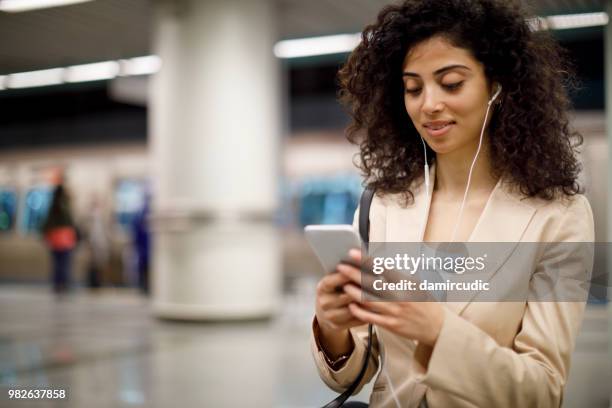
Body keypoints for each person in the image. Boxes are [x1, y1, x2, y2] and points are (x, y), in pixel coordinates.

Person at [311, 1, 594, 407]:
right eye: (413, 88)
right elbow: (362, 371)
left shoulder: (557, 216)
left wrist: (438, 331)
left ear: (495, 84)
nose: (428, 104)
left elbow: (542, 390)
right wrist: (333, 326)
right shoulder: (384, 205)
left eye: (451, 83)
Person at [41, 182, 78, 294]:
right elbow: (70, 222)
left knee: (57, 263)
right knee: (64, 262)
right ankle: (64, 283)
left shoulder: (52, 205)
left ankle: (58, 284)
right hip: (65, 238)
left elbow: (47, 223)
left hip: (55, 238)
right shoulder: (64, 204)